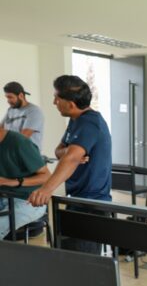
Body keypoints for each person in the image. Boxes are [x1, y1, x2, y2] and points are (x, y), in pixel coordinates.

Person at [29, 75, 112, 254]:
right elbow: (59, 151)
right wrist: (69, 152)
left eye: (57, 98)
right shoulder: (76, 121)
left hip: (91, 205)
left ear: (71, 104)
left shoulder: (90, 123)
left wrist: (46, 189)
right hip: (76, 199)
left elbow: (71, 158)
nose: (54, 102)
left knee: (82, 261)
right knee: (67, 255)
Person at [0, 127, 51, 239]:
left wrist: (11, 182)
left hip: (29, 200)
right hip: (3, 197)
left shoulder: (19, 142)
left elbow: (47, 176)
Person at [2, 81, 45, 150]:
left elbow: (22, 137)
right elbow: (1, 130)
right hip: (11, 151)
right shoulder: (10, 110)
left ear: (21, 95)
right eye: (7, 98)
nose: (8, 101)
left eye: (10, 97)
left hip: (27, 153)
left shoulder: (34, 111)